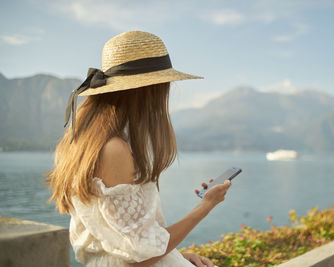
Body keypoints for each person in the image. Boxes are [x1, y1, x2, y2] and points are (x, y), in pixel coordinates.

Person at [45, 31, 231, 267]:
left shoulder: (79, 141)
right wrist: (207, 205)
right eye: (164, 85)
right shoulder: (114, 149)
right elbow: (140, 258)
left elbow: (119, 242)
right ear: (148, 91)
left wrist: (177, 256)